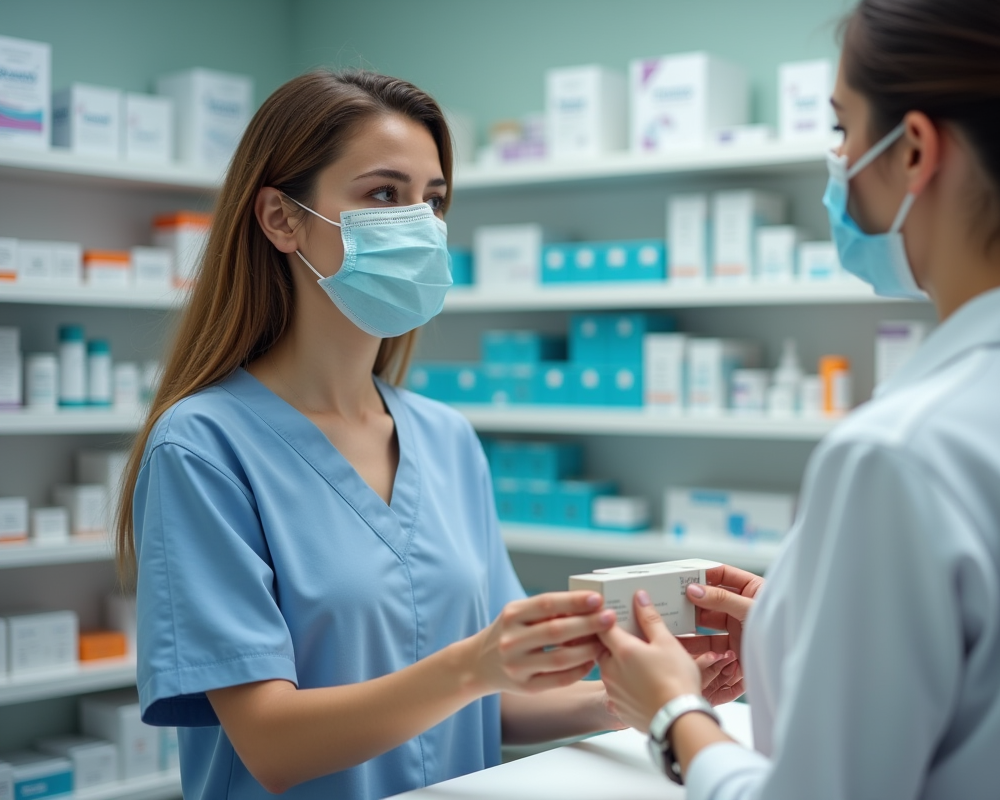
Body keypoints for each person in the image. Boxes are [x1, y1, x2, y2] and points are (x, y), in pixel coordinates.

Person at [596, 1, 1000, 798]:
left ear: (914, 148)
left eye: (843, 128)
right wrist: (798, 622)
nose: (839, 160)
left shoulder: (903, 454)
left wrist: (674, 717)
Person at [114, 70, 740, 800]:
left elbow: (492, 696)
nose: (419, 223)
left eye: (433, 200)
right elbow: (270, 742)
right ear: (281, 219)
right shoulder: (201, 449)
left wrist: (658, 700)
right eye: (384, 194)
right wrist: (475, 665)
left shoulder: (445, 438)